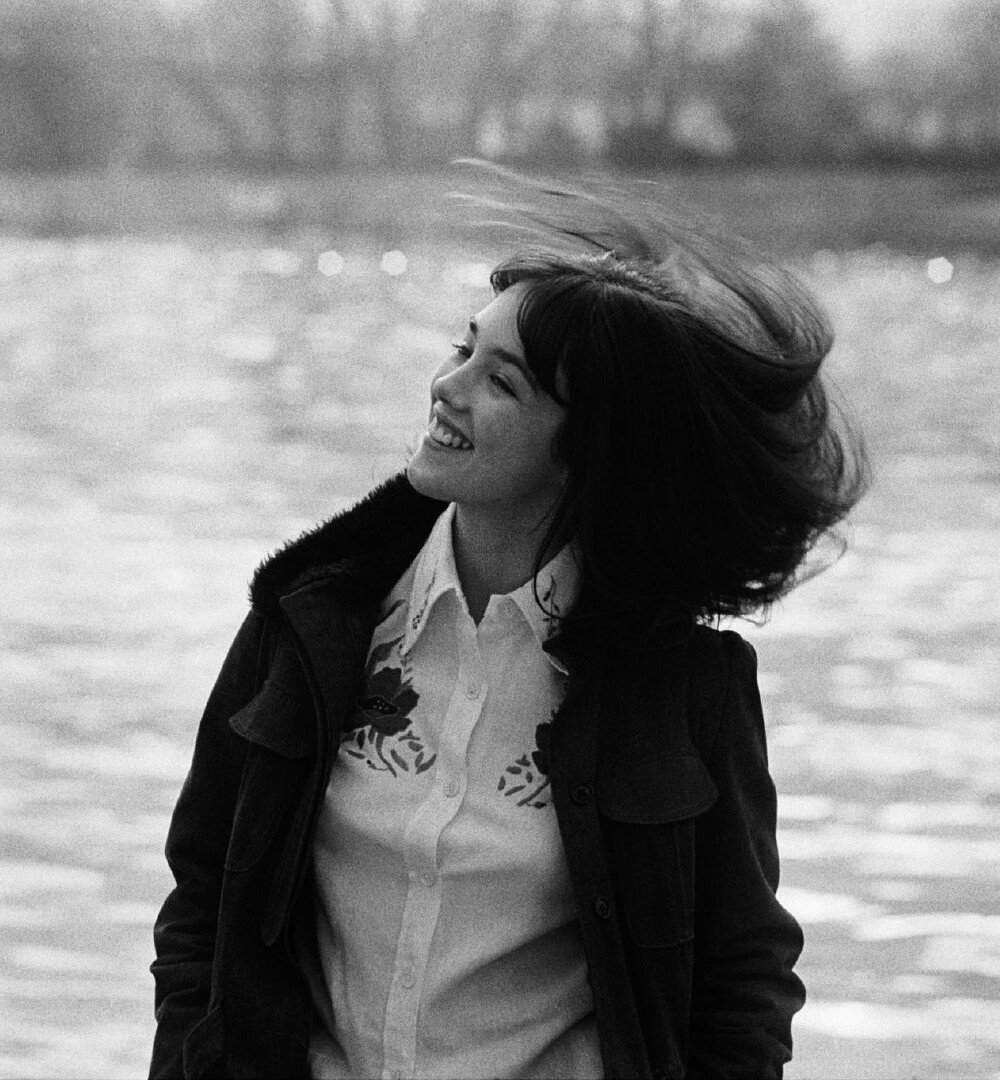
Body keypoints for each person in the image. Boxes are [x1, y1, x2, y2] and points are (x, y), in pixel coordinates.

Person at [149, 175, 867, 1080]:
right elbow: (201, 903)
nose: (447, 388)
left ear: (585, 452)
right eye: (463, 350)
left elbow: (742, 983)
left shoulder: (684, 689)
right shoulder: (308, 622)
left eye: (503, 382)